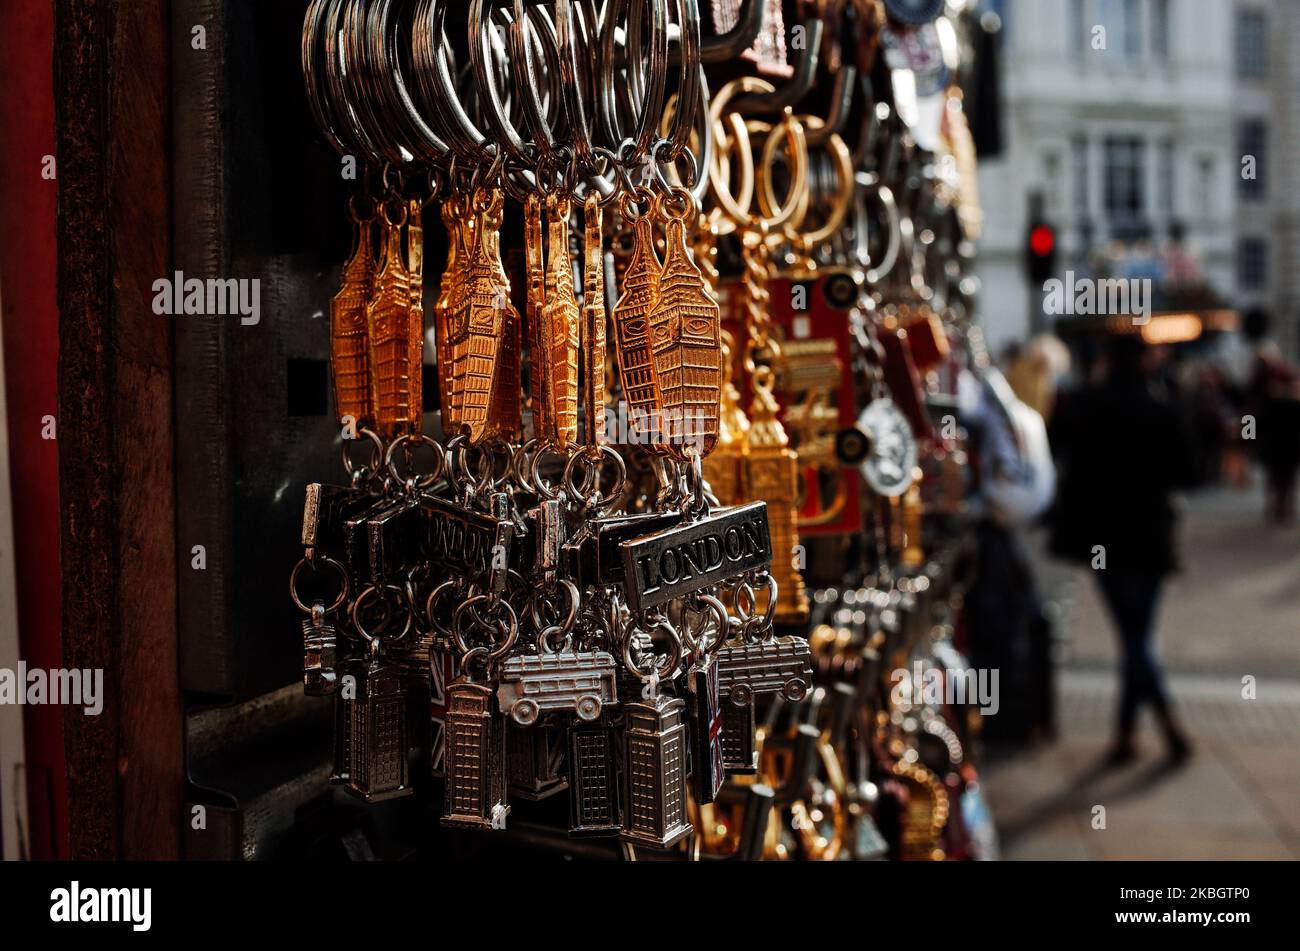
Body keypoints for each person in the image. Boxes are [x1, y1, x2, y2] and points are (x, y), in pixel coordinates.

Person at [1049, 333, 1196, 765]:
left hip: (1102, 537)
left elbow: (1060, 450)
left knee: (1132, 635)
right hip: (1149, 535)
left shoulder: (1086, 404)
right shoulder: (1161, 406)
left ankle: (1133, 731)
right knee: (1138, 634)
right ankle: (1149, 725)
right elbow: (1187, 471)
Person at [1242, 308, 1300, 524]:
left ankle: (1281, 506)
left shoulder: (1272, 385)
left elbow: (1250, 411)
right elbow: (1251, 412)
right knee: (1280, 474)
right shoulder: (1270, 385)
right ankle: (1280, 506)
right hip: (1277, 436)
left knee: (1280, 475)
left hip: (1279, 436)